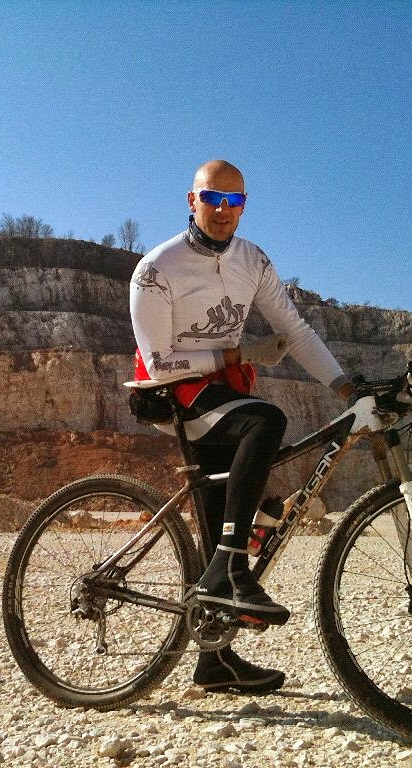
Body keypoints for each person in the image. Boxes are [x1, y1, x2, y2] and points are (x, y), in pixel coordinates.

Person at [129, 159, 355, 693]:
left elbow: (295, 330)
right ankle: (231, 568)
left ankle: (214, 660)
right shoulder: (155, 270)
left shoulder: (253, 261)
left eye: (236, 201)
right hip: (170, 394)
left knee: (221, 508)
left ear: (245, 205)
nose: (224, 210)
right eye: (214, 199)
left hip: (222, 391)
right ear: (192, 201)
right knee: (265, 421)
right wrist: (241, 351)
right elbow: (158, 365)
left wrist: (346, 387)